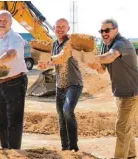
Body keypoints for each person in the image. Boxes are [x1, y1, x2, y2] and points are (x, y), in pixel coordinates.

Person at [89, 19, 138, 159]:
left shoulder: (121, 43)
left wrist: (94, 58)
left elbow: (110, 56)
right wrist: (93, 65)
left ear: (116, 30)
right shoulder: (105, 46)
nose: (104, 33)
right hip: (119, 91)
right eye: (101, 31)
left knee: (121, 127)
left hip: (131, 92)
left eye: (107, 30)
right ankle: (131, 155)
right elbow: (102, 70)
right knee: (126, 126)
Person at [0, 10, 28, 149]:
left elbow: (11, 53)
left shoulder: (15, 38)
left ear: (10, 23)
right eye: (0, 21)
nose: (2, 23)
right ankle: (5, 150)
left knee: (14, 120)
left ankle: (14, 152)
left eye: (5, 21)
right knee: (1, 120)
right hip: (1, 83)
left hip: (15, 82)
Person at [38, 18, 83, 152]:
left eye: (63, 27)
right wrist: (43, 65)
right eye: (58, 27)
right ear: (54, 28)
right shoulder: (54, 44)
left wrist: (49, 61)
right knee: (61, 116)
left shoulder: (71, 43)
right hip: (60, 85)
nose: (60, 29)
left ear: (68, 28)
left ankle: (74, 148)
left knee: (67, 110)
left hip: (74, 84)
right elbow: (55, 63)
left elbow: (62, 57)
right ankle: (65, 148)